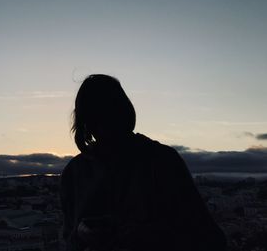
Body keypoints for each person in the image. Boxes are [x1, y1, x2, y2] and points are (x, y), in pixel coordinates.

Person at [60, 74, 226, 251]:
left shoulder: (162, 161)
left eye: (108, 113)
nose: (104, 125)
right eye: (97, 116)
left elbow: (206, 235)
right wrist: (80, 235)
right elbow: (68, 239)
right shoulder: (74, 173)